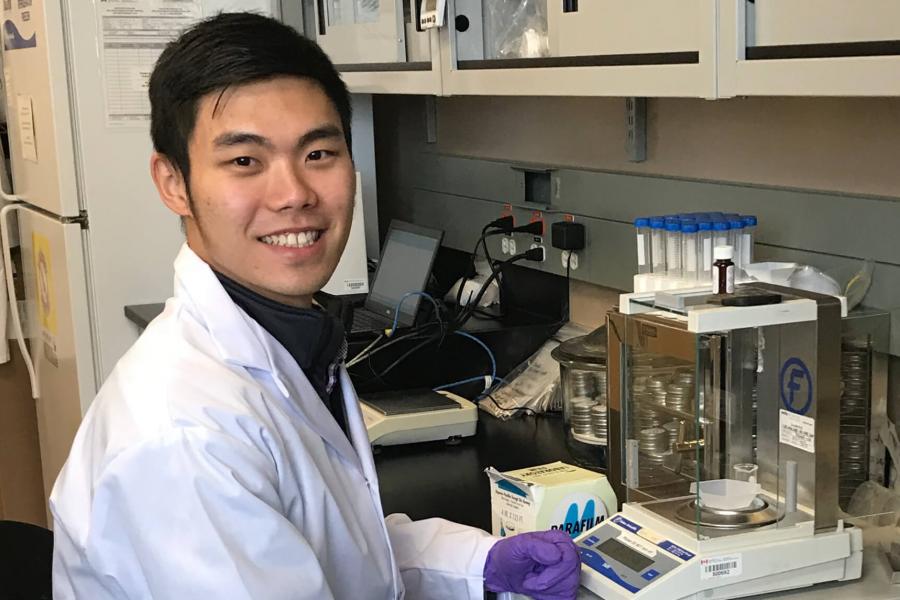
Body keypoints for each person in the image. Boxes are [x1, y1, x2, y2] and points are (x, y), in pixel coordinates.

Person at [49, 12, 581, 600]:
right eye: (245, 161)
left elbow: (342, 549)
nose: (294, 194)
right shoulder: (184, 439)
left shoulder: (290, 340)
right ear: (173, 181)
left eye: (318, 153)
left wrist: (479, 562)